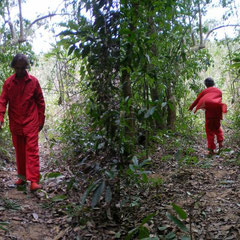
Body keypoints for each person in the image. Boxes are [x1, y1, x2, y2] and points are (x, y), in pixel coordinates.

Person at [0, 53, 45, 191]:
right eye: (17, 68)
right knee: (19, 151)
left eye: (22, 68)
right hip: (15, 122)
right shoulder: (8, 83)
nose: (19, 71)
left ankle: (33, 181)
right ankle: (22, 177)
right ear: (14, 67)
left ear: (26, 67)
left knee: (32, 150)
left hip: (31, 121)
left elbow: (40, 102)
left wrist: (41, 119)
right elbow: (2, 102)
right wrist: (0, 118)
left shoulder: (34, 82)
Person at [189, 77, 227, 155]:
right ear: (213, 83)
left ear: (206, 85)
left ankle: (211, 150)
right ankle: (220, 144)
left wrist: (191, 107)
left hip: (209, 113)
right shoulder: (219, 91)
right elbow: (219, 100)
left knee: (209, 130)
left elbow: (197, 100)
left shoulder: (205, 91)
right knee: (217, 128)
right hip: (217, 112)